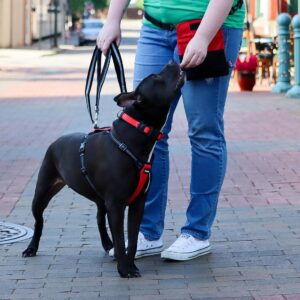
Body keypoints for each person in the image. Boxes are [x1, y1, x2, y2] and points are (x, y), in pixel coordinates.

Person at [97, 0, 245, 261]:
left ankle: (197, 233)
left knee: (204, 132)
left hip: (205, 27)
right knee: (149, 134)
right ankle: (148, 231)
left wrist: (203, 37)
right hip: (154, 30)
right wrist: (112, 20)